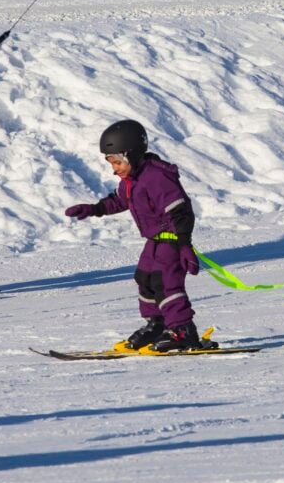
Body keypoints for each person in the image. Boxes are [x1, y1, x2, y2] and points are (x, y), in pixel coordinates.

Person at [65, 120, 204, 352]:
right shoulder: (132, 181)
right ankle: (157, 325)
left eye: (118, 162)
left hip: (171, 240)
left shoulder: (156, 177)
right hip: (154, 241)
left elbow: (180, 210)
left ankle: (183, 330)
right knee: (145, 278)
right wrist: (94, 209)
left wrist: (185, 245)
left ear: (132, 154)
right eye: (112, 163)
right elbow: (121, 201)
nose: (114, 168)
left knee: (166, 283)